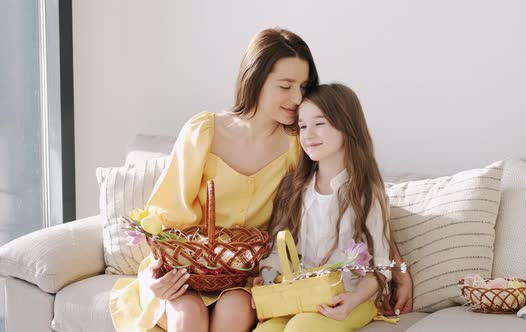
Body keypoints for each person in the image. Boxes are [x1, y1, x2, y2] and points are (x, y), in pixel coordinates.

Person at [109, 27, 319, 332]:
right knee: (188, 315)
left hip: (243, 277)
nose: (297, 98)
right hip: (183, 270)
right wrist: (149, 279)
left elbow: (352, 187)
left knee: (233, 311)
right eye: (285, 86)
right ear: (255, 79)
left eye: (303, 86)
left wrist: (396, 265)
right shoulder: (203, 132)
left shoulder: (297, 144)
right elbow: (164, 217)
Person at [252, 83, 413, 332]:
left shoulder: (366, 192)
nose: (308, 134)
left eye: (320, 123)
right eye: (303, 125)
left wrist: (353, 300)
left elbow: (379, 267)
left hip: (352, 297)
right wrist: (269, 281)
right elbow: (277, 252)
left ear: (347, 126)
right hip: (302, 295)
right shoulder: (294, 188)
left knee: (301, 328)